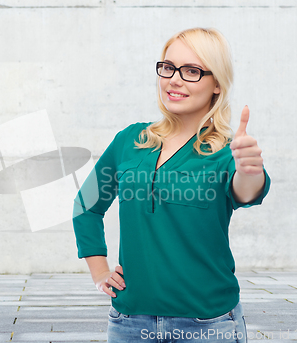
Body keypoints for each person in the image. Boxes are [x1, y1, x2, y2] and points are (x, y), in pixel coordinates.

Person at [72, 27, 270, 343]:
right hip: (129, 324)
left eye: (192, 71)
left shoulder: (226, 151)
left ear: (216, 83)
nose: (174, 79)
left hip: (208, 324)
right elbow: (87, 205)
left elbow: (246, 191)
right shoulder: (130, 141)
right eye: (168, 67)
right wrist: (99, 272)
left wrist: (250, 169)